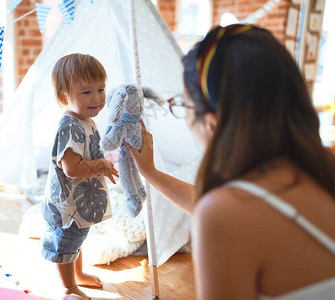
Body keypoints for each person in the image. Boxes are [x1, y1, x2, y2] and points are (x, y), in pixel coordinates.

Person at [127, 24, 335, 299]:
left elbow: (224, 213)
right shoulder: (323, 168)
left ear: (213, 123)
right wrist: (150, 173)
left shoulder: (225, 216)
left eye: (184, 105)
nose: (185, 117)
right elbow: (217, 206)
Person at [41, 53, 119, 300]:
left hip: (78, 204)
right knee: (66, 244)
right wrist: (100, 166)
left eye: (101, 89)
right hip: (68, 205)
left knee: (77, 239)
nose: (97, 98)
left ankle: (79, 274)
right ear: (65, 96)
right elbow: (72, 168)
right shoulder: (71, 126)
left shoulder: (84, 119)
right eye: (86, 92)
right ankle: (69, 287)